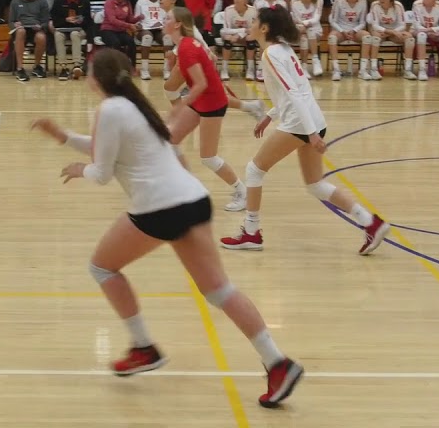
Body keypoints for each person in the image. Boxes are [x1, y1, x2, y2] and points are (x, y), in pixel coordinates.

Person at [31, 48, 303, 408]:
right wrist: (63, 136)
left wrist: (79, 169)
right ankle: (277, 363)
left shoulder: (109, 110)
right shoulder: (133, 105)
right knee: (220, 291)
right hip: (192, 199)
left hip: (159, 208)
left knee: (102, 267)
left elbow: (101, 171)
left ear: (96, 77)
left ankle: (143, 347)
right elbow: (108, 149)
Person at [221, 6, 390, 254]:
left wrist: (310, 133)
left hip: (300, 124)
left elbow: (294, 93)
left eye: (254, 20)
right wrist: (270, 115)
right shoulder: (283, 49)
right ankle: (370, 222)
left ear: (264, 28)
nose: (250, 23)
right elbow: (298, 91)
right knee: (315, 185)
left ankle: (251, 232)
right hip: (313, 119)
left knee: (254, 170)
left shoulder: (271, 54)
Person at [162, 7, 265, 211]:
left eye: (167, 18)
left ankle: (242, 192)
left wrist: (180, 107)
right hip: (201, 99)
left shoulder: (186, 48)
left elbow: (200, 83)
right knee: (171, 141)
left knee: (208, 157)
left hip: (211, 102)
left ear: (177, 24)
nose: (163, 20)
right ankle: (188, 189)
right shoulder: (185, 44)